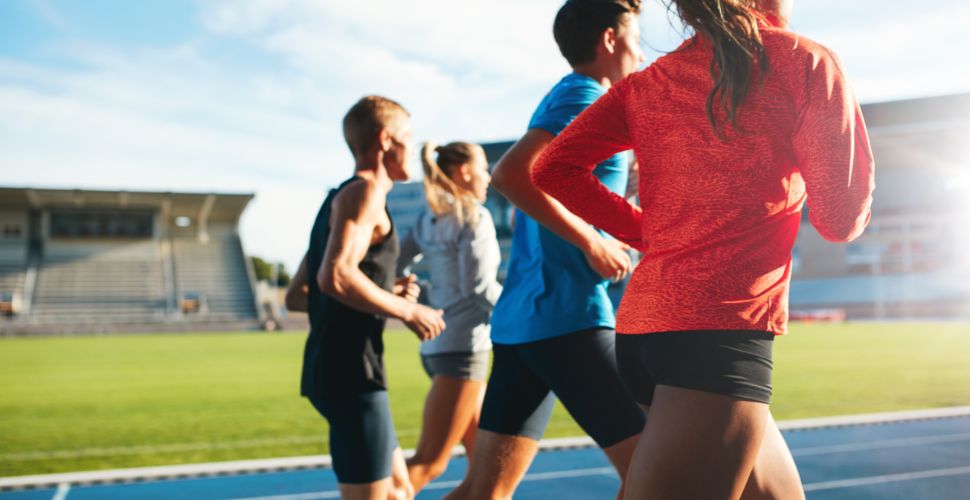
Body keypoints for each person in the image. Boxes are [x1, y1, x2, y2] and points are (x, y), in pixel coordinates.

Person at [532, 0, 874, 498]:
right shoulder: (805, 61)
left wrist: (650, 234)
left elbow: (552, 168)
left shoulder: (648, 81)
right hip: (715, 337)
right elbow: (841, 221)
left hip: (647, 330)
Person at [447, 1, 647, 498]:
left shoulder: (571, 97)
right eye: (635, 39)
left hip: (525, 323)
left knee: (481, 492)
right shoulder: (584, 95)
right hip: (567, 315)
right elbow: (511, 174)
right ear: (609, 41)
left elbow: (563, 185)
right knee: (656, 475)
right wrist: (592, 241)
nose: (640, 53)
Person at [297, 95, 446, 500]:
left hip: (338, 366)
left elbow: (300, 293)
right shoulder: (364, 193)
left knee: (399, 489)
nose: (413, 150)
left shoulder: (336, 199)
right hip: (350, 371)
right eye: (408, 138)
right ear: (385, 140)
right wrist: (408, 309)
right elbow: (335, 276)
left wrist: (383, 289)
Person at [396, 141, 502, 493]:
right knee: (430, 462)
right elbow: (481, 289)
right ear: (464, 172)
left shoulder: (429, 217)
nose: (488, 177)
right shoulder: (475, 217)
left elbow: (395, 262)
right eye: (484, 168)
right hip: (463, 352)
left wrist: (409, 288)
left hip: (436, 348)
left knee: (485, 467)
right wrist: (519, 316)